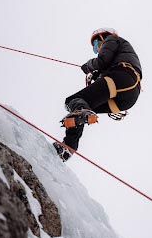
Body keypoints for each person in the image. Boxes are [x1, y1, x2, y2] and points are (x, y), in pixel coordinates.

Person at [54, 27, 142, 161]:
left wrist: (89, 65)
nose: (96, 49)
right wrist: (96, 75)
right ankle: (68, 148)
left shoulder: (112, 39)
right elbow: (106, 65)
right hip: (128, 95)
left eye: (96, 45)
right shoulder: (120, 52)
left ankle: (70, 143)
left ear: (102, 37)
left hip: (121, 77)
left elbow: (102, 60)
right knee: (82, 107)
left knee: (73, 101)